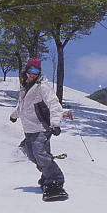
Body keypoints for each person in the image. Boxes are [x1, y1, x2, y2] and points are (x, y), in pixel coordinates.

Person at [10, 57, 68, 201]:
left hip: (41, 127)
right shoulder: (24, 87)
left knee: (39, 151)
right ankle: (46, 174)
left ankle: (55, 178)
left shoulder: (42, 87)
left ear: (39, 72)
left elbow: (54, 105)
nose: (32, 74)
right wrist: (14, 115)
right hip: (29, 129)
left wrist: (56, 124)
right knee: (31, 154)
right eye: (31, 70)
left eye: (36, 71)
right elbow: (22, 106)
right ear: (27, 70)